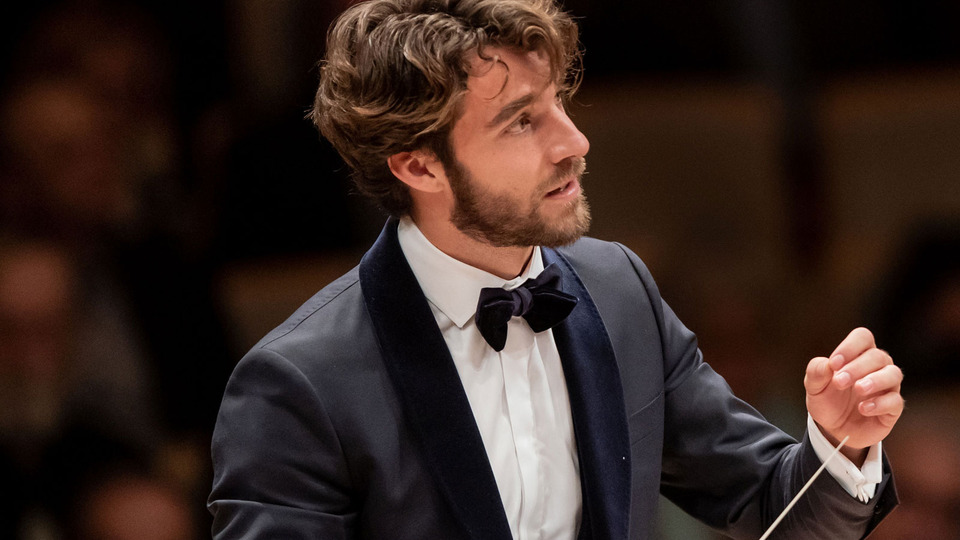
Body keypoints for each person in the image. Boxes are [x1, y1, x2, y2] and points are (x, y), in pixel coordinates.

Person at [209, 1, 903, 538]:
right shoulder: (300, 385)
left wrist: (840, 442)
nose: (575, 142)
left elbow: (771, 502)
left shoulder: (618, 291)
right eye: (520, 121)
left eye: (558, 103)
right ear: (418, 166)